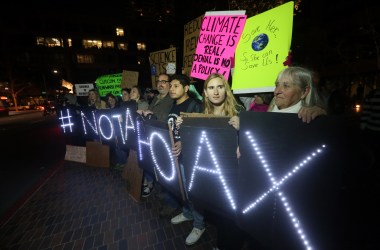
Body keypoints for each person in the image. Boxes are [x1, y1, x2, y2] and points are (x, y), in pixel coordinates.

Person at [163, 74, 203, 246]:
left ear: (186, 88)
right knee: (181, 187)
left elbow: (201, 132)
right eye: (170, 85)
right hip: (176, 156)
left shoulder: (195, 105)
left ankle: (199, 225)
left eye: (175, 86)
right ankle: (187, 212)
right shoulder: (174, 105)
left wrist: (183, 142)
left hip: (191, 157)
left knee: (192, 190)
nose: (171, 88)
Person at [138, 73, 174, 199]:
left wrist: (151, 114)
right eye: (159, 81)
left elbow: (168, 120)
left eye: (164, 81)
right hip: (150, 137)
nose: (160, 83)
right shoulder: (156, 98)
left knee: (165, 170)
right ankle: (151, 183)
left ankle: (170, 200)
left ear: (170, 84)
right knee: (148, 162)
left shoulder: (172, 99)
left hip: (163, 140)